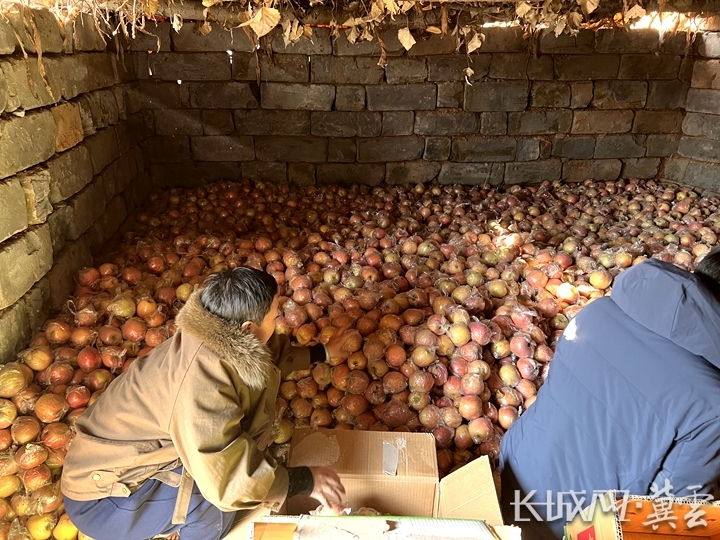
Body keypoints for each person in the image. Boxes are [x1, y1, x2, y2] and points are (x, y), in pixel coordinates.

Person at [61, 267, 350, 540]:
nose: (277, 324)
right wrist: (303, 481)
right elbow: (224, 480)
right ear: (249, 328)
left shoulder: (218, 330)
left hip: (126, 465)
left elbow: (266, 352)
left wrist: (322, 352)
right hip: (102, 496)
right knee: (213, 505)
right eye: (275, 317)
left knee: (242, 481)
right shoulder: (202, 381)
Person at [499, 251, 720, 539]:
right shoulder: (712, 403)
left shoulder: (597, 311)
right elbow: (672, 511)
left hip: (515, 471)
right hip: (574, 523)